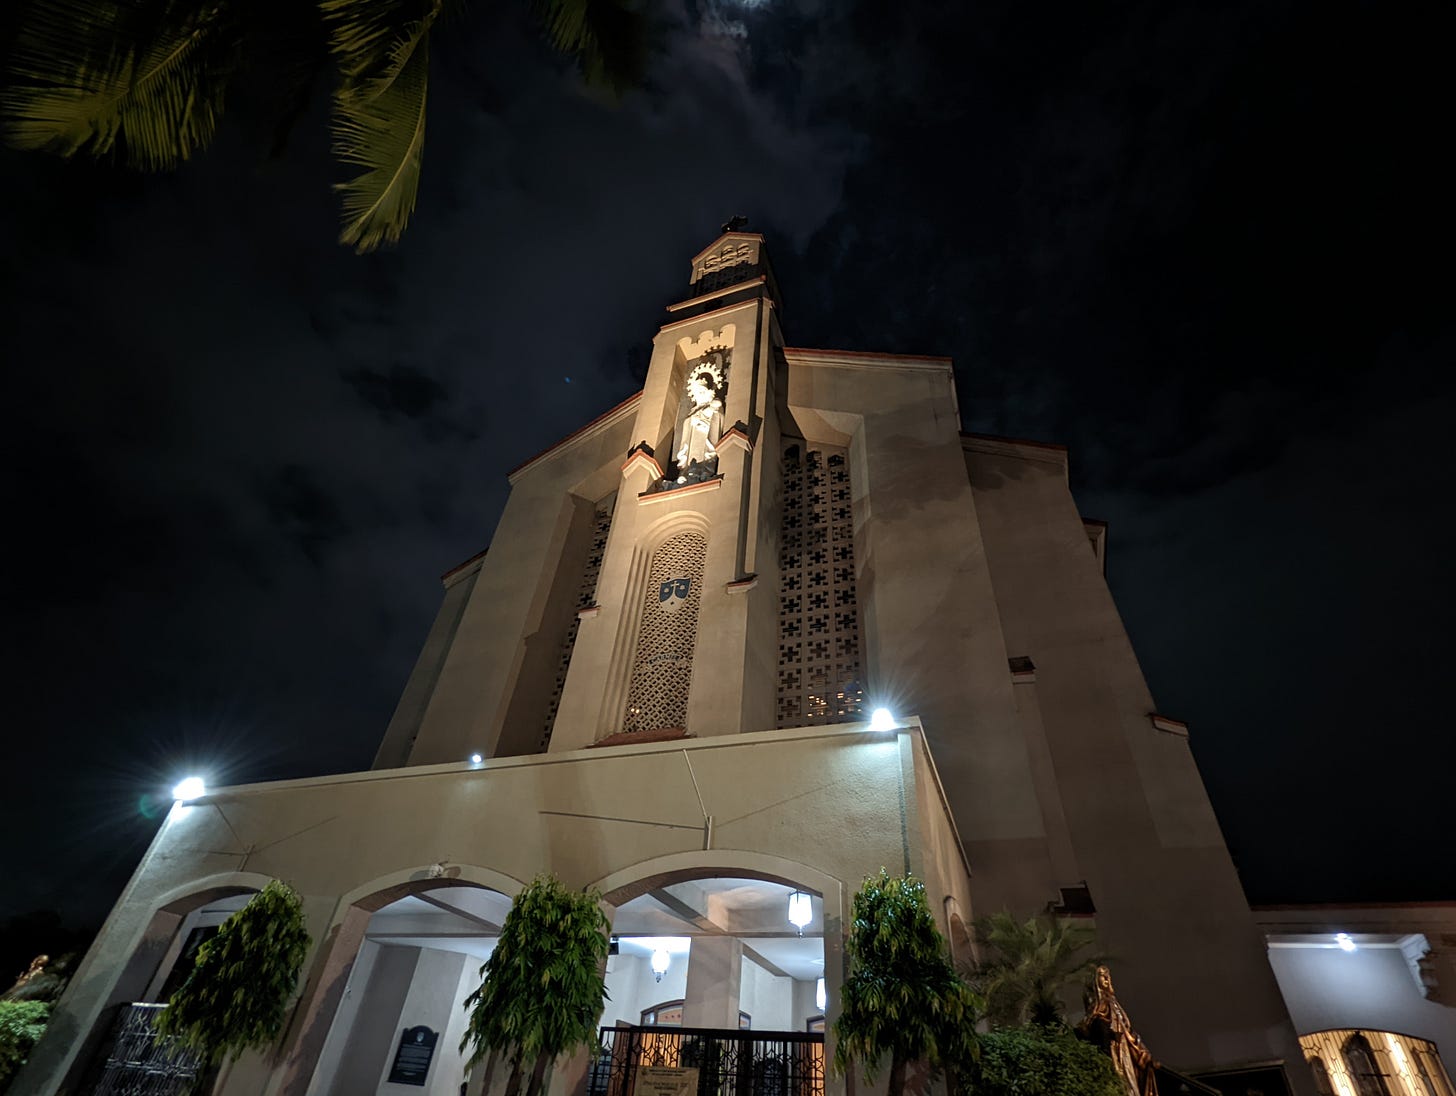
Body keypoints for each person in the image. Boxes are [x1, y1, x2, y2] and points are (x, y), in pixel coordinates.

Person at [1078, 965, 1159, 1096]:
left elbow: (1126, 1027)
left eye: (1108, 976)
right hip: (1115, 1050)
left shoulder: (1112, 1002)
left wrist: (1138, 1046)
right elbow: (1095, 1024)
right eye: (1102, 976)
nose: (1107, 979)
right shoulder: (1098, 1006)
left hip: (1123, 1046)